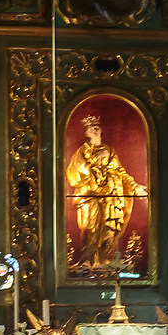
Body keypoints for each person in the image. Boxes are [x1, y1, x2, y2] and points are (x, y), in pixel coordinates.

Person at [66, 113, 146, 269]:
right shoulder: (81, 152)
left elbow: (120, 172)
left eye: (97, 127)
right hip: (89, 196)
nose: (95, 130)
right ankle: (88, 263)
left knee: (109, 230)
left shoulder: (109, 151)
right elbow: (74, 172)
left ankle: (105, 264)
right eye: (91, 128)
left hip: (110, 197)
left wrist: (135, 186)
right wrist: (92, 176)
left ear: (101, 130)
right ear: (86, 133)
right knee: (89, 229)